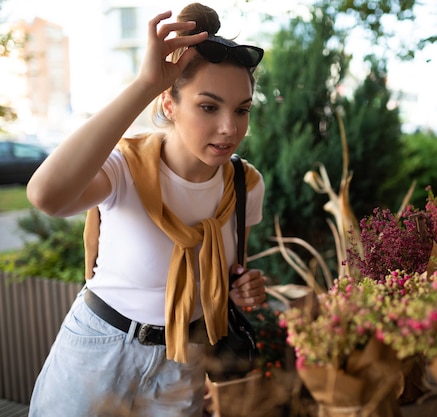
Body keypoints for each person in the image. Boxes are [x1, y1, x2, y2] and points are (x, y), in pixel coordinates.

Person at [26, 3, 267, 416]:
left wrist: (244, 287)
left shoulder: (244, 184)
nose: (230, 127)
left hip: (183, 362)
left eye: (241, 109)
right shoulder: (126, 167)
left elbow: (228, 276)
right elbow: (47, 196)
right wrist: (143, 83)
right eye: (209, 107)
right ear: (169, 104)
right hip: (100, 352)